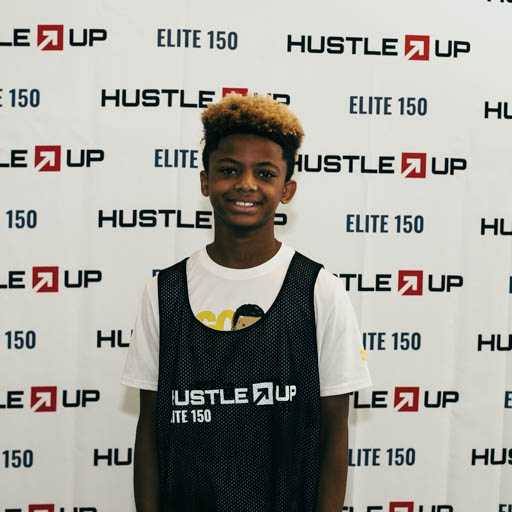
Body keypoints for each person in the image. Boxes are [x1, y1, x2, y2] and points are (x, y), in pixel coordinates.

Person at [121, 93, 371, 512]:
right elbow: (149, 430)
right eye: (229, 170)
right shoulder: (163, 292)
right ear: (205, 181)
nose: (246, 184)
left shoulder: (319, 290)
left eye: (265, 173)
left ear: (287, 190)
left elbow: (334, 430)